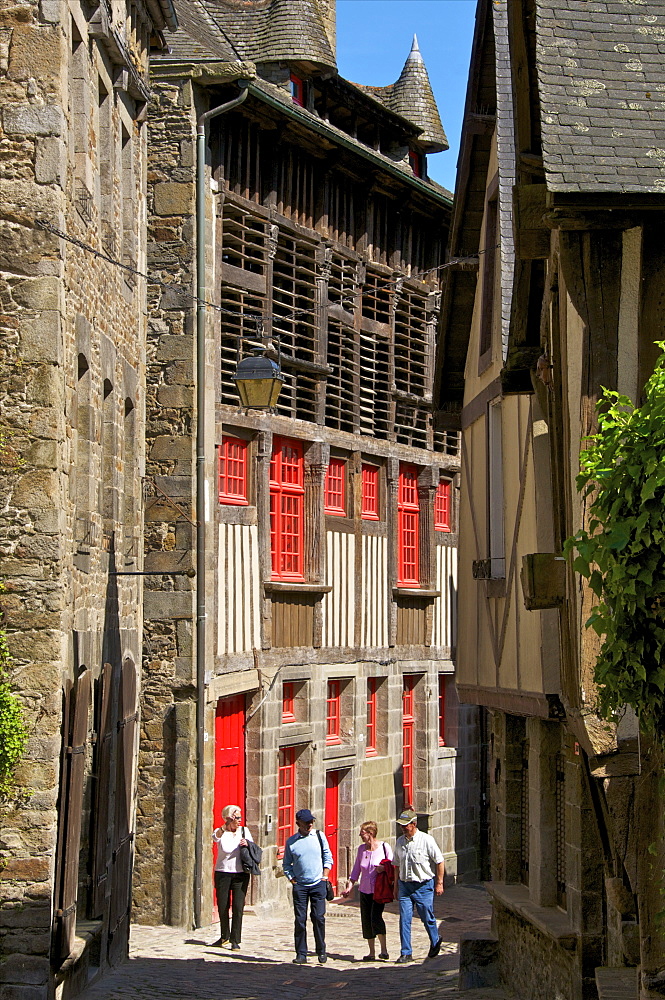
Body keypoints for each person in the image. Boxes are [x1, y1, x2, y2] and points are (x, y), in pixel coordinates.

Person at [392, 807, 445, 964]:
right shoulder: (400, 842)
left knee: (426, 916)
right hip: (405, 886)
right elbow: (396, 865)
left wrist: (439, 883)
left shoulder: (426, 840)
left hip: (423, 885)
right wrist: (395, 886)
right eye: (401, 825)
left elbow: (439, 861)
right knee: (404, 919)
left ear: (414, 824)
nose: (402, 828)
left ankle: (435, 939)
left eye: (405, 825)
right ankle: (406, 952)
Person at [283, 808, 333, 965]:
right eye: (306, 822)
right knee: (300, 920)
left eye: (311, 821)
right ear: (298, 823)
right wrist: (292, 880)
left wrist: (325, 877)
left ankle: (321, 950)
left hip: (318, 883)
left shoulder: (319, 836)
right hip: (301, 886)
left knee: (318, 918)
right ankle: (301, 953)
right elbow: (286, 864)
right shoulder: (291, 842)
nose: (310, 824)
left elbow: (327, 856)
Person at [342, 821, 393, 961]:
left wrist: (383, 868)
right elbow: (356, 871)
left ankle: (384, 950)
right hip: (364, 890)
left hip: (379, 891)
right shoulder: (361, 850)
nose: (360, 835)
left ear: (370, 834)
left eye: (362, 833)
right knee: (366, 920)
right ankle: (371, 952)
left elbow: (393, 866)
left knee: (376, 917)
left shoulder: (384, 847)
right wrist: (349, 887)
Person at [212, 804, 254, 950]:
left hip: (240, 874)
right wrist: (225, 826)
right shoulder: (221, 832)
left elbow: (253, 847)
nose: (239, 820)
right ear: (228, 818)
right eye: (236, 817)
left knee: (238, 906)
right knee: (223, 906)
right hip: (223, 873)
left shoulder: (244, 831)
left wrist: (247, 843)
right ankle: (224, 935)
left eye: (240, 817)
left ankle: (235, 939)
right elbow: (215, 838)